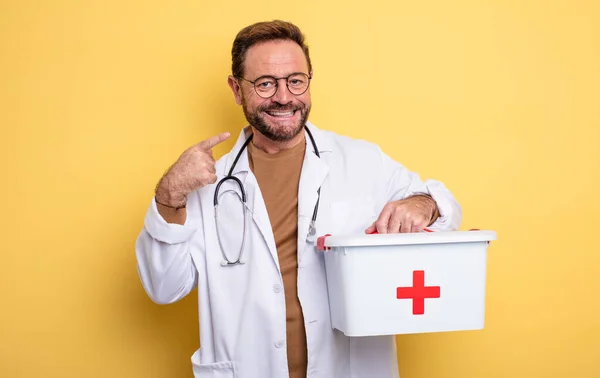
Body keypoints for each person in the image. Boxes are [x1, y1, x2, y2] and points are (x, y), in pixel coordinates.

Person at [135, 19, 462, 378]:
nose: (284, 97)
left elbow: (444, 208)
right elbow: (164, 287)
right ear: (236, 89)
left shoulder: (362, 160)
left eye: (295, 81)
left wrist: (422, 205)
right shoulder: (207, 183)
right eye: (265, 84)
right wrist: (169, 195)